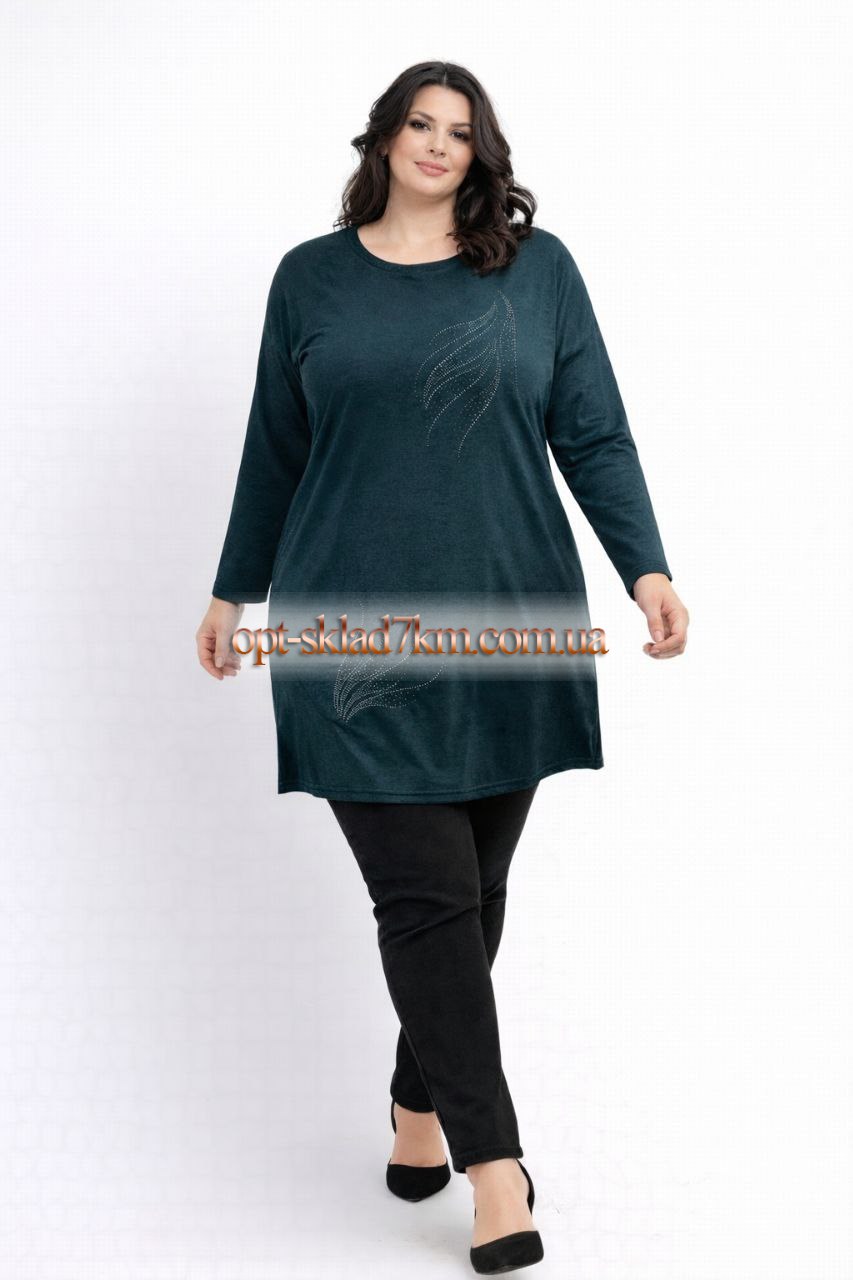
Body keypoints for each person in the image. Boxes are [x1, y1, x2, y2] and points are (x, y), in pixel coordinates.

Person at [196, 60, 689, 1276]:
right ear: (383, 137)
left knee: (474, 885)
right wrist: (231, 588)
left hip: (507, 621)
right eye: (419, 123)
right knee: (424, 896)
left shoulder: (537, 270)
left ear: (481, 153)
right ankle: (495, 1168)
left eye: (459, 131)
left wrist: (645, 566)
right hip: (346, 629)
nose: (436, 143)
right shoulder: (311, 279)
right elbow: (274, 443)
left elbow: (592, 428)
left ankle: (418, 1103)